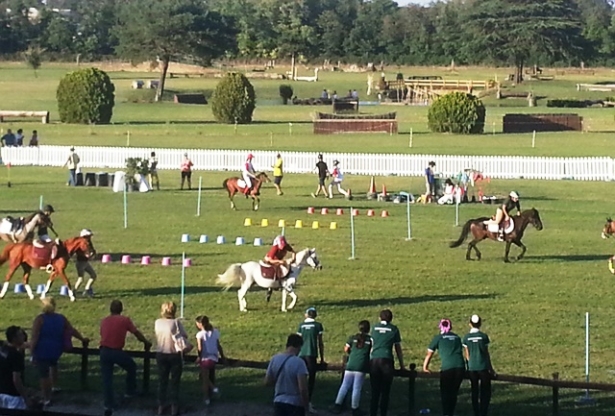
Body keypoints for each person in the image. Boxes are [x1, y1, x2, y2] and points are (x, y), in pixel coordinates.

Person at [31, 297, 89, 407]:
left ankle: (46, 397)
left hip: (43, 349)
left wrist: (32, 351)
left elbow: (35, 337)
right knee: (53, 365)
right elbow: (71, 330)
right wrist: (82, 339)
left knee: (44, 374)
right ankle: (53, 386)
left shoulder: (40, 319)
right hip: (57, 348)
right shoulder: (61, 318)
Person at [99, 300, 152, 415]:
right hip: (116, 350)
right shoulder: (125, 320)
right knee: (131, 366)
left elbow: (102, 333)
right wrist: (145, 342)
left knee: (107, 379)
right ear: (121, 309)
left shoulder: (104, 320)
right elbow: (136, 333)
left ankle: (108, 404)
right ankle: (130, 390)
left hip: (104, 350)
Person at [423, 319, 466, 416]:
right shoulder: (457, 337)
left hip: (447, 368)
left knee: (445, 392)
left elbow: (429, 354)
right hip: (460, 366)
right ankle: (451, 412)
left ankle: (446, 413)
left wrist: (425, 367)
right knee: (453, 392)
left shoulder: (438, 338)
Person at [155, 302, 190, 416]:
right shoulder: (175, 323)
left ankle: (161, 406)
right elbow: (184, 336)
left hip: (161, 353)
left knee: (162, 380)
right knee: (175, 382)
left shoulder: (158, 322)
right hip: (173, 354)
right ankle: (174, 407)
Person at [332, 320, 372, 416]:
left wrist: (351, 353)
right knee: (357, 388)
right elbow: (372, 352)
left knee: (344, 385)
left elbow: (346, 349)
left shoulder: (352, 338)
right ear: (368, 329)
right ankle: (355, 408)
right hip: (361, 365)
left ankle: (337, 405)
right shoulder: (370, 340)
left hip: (350, 364)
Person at [265, 334, 309, 416]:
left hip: (278, 401)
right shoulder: (299, 362)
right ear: (298, 346)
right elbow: (303, 388)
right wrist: (306, 406)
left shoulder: (275, 359)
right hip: (295, 403)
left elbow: (267, 382)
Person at [370, 309, 404, 416]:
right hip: (387, 360)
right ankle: (383, 413)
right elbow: (397, 348)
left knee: (375, 391)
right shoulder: (394, 329)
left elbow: (371, 344)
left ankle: (373, 413)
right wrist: (402, 364)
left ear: (380, 318)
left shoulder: (374, 328)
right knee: (385, 391)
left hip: (374, 360)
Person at [463, 315, 495, 416]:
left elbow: (467, 354)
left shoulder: (466, 338)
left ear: (470, 324)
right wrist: (491, 368)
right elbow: (486, 354)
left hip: (472, 368)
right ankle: (483, 411)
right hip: (483, 367)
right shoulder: (483, 337)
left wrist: (469, 364)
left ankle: (476, 412)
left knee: (474, 390)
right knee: (485, 391)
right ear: (480, 324)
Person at [297, 307, 324, 414]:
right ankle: (308, 402)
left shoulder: (301, 326)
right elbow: (320, 343)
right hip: (311, 354)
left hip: (301, 354)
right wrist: (322, 358)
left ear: (307, 314)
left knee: (299, 377)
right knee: (311, 379)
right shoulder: (318, 326)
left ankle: (299, 400)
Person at [195, 315, 226, 407]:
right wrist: (222, 356)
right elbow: (218, 345)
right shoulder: (215, 332)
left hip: (205, 357)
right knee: (204, 376)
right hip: (214, 357)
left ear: (200, 324)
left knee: (205, 379)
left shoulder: (200, 334)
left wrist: (199, 357)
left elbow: (200, 348)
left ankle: (208, 396)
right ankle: (213, 390)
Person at [0, 326, 31, 410]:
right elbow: (16, 379)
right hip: (14, 396)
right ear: (14, 338)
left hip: (2, 392)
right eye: (21, 335)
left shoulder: (2, 350)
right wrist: (25, 397)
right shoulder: (16, 356)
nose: (24, 337)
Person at [74, 229, 97, 296]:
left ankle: (87, 289)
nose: (90, 237)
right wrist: (89, 255)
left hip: (85, 262)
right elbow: (84, 253)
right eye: (88, 236)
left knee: (93, 275)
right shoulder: (82, 243)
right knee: (81, 278)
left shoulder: (88, 242)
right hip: (81, 263)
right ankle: (74, 291)